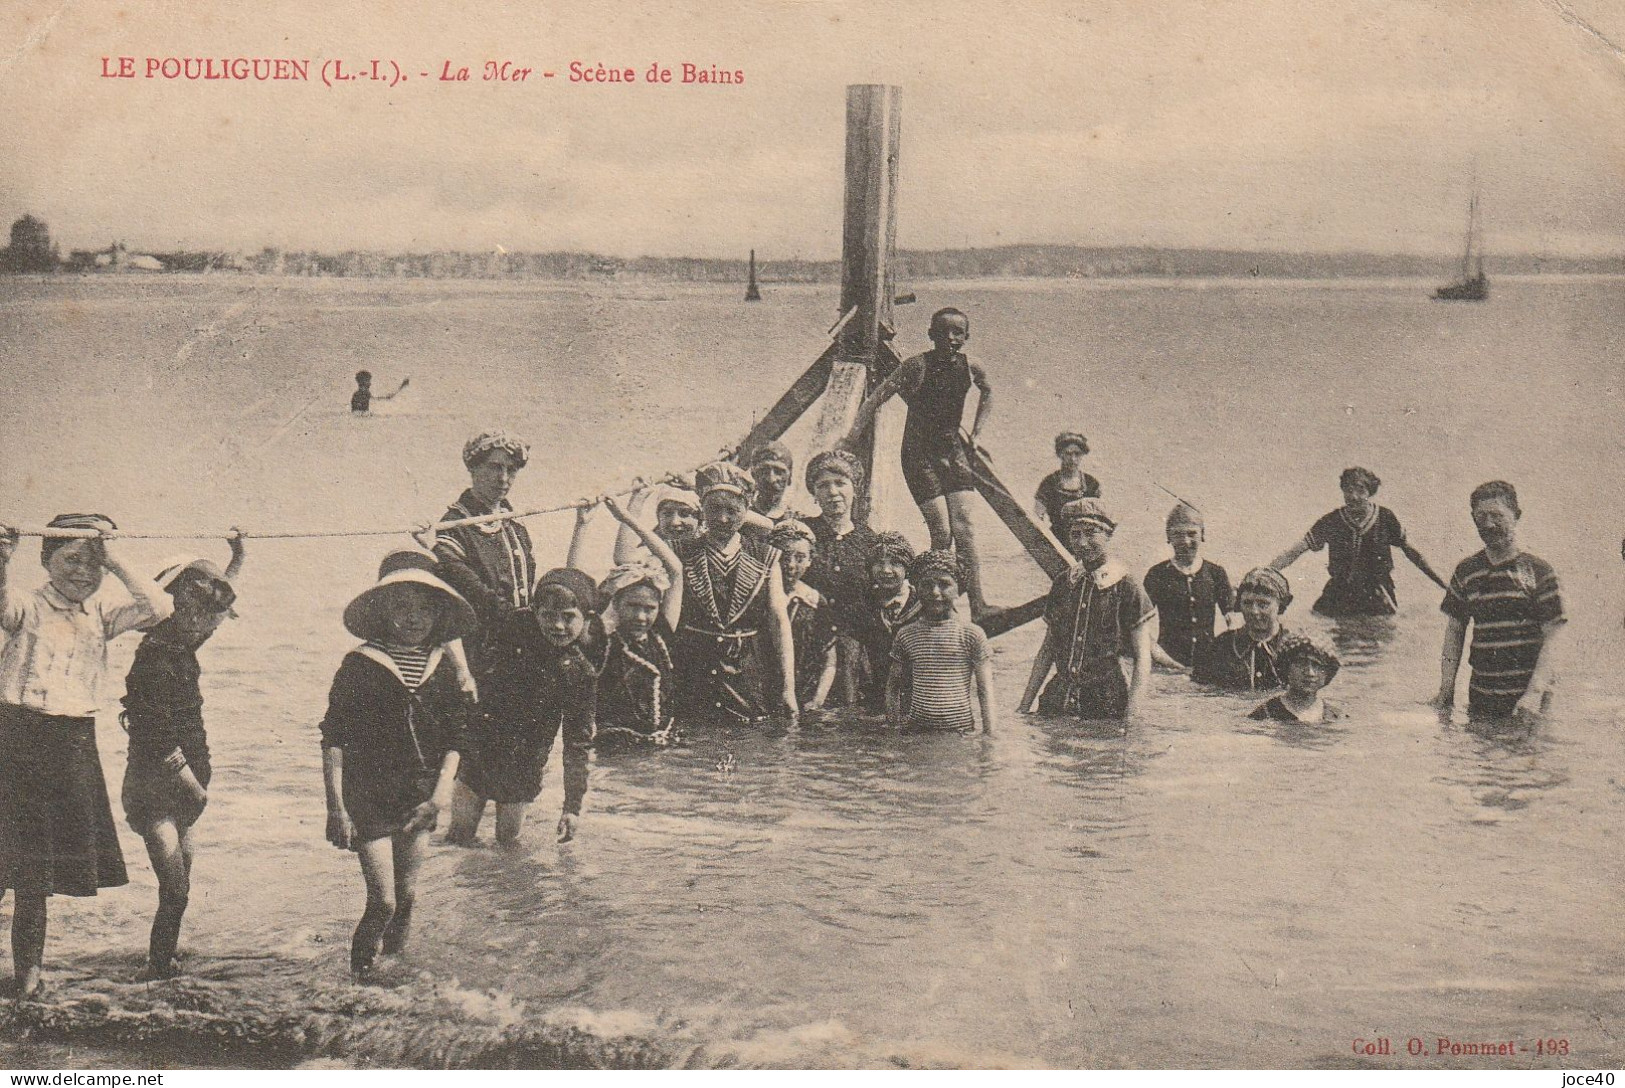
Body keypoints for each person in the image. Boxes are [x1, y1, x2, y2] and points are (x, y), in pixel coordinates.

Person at [0, 514, 173, 1001]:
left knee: (38, 875)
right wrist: (2, 557)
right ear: (47, 561)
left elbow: (159, 608)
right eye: (70, 559)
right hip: (14, 739)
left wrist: (113, 556)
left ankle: (28, 978)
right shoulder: (26, 605)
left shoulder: (101, 612)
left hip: (73, 743)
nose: (82, 571)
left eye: (91, 562)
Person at [321, 550, 475, 976]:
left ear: (438, 615)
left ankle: (391, 971)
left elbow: (456, 738)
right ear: (382, 611)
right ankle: (359, 981)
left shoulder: (444, 665)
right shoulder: (360, 663)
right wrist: (336, 809)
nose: (413, 618)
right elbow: (333, 740)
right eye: (402, 607)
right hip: (367, 795)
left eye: (425, 609)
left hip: (420, 795)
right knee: (383, 900)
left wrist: (441, 796)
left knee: (406, 899)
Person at [120, 540, 246, 981]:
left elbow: (219, 604)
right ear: (178, 608)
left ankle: (162, 962)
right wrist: (194, 787)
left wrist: (238, 559)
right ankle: (156, 973)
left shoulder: (182, 645)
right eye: (204, 614)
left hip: (186, 790)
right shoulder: (154, 657)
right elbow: (157, 733)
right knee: (175, 890)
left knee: (179, 890)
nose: (211, 626)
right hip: (156, 791)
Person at [847, 308, 994, 617]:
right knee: (942, 534)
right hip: (918, 455)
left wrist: (978, 433)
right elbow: (875, 398)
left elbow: (988, 391)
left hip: (953, 451)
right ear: (931, 335)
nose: (950, 339)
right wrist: (851, 437)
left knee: (965, 529)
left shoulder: (971, 366)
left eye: (958, 333)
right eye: (943, 332)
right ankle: (938, 606)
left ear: (967, 337)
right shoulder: (916, 366)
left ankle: (978, 605)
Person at [447, 567, 598, 845]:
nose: (558, 626)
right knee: (458, 838)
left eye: (568, 618)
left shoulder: (578, 672)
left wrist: (571, 808)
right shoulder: (516, 626)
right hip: (481, 746)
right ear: (534, 612)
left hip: (524, 762)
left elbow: (578, 743)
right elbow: (476, 590)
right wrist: (435, 547)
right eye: (548, 616)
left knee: (508, 844)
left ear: (586, 619)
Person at [670, 461, 797, 723]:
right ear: (701, 509)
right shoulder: (682, 552)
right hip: (693, 674)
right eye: (714, 509)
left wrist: (788, 689)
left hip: (750, 676)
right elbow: (625, 556)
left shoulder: (766, 556)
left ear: (748, 509)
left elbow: (778, 620)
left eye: (733, 510)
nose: (723, 519)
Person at [1431, 481, 1565, 723]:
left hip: (1529, 702)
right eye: (1480, 517)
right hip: (1482, 697)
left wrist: (1534, 694)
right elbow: (1454, 631)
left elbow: (1555, 637)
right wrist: (1446, 688)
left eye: (1497, 515)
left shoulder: (1539, 571)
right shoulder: (1466, 571)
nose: (1489, 524)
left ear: (1516, 515)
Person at [1017, 500, 1155, 721]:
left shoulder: (1127, 586)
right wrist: (1023, 707)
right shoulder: (1064, 583)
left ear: (1108, 535)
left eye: (1091, 533)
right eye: (1075, 534)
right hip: (1059, 697)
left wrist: (1131, 717)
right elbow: (1047, 650)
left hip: (1107, 702)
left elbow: (1142, 659)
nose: (1082, 543)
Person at [1270, 467, 1446, 617]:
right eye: (1348, 490)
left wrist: (1445, 586)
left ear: (1370, 492)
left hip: (1378, 594)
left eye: (1360, 490)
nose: (1353, 496)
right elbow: (1296, 551)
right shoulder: (1332, 521)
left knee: (1379, 641)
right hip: (1338, 594)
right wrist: (1268, 571)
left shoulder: (1385, 518)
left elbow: (1412, 554)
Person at [596, 495, 685, 746]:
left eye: (649, 608)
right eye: (633, 607)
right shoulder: (604, 642)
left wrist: (627, 518)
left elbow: (676, 569)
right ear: (616, 604)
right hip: (617, 751)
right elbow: (575, 583)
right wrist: (582, 526)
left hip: (664, 749)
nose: (641, 617)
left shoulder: (662, 635)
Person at [800, 449, 882, 708]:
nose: (833, 492)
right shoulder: (804, 535)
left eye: (840, 483)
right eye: (823, 486)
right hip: (810, 649)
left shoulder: (871, 542)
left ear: (855, 488)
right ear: (814, 494)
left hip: (856, 655)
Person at [887, 551, 996, 734]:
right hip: (917, 732)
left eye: (944, 585)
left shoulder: (971, 634)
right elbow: (893, 687)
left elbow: (985, 692)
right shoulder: (906, 634)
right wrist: (894, 729)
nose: (935, 592)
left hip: (960, 731)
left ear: (959, 588)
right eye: (927, 585)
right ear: (917, 587)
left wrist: (989, 739)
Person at [1143, 503, 1235, 672]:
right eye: (1177, 534)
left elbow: (1234, 622)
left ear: (1203, 534)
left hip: (1208, 667)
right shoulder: (1157, 575)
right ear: (1168, 536)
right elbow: (1138, 624)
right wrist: (1162, 658)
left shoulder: (1216, 573)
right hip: (1167, 667)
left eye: (1192, 533)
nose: (1185, 541)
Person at [769, 519, 838, 713]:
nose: (790, 565)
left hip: (805, 697)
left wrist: (817, 701)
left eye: (799, 558)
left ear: (810, 560)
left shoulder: (815, 601)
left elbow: (829, 661)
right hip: (765, 696)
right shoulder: (760, 597)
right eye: (783, 557)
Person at [1192, 568, 1293, 692]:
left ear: (1281, 605)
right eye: (1247, 603)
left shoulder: (1293, 648)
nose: (1254, 611)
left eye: (1263, 604)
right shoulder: (1221, 646)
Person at [851, 531, 920, 711]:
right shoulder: (863, 604)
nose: (886, 570)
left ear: (907, 568)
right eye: (879, 564)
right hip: (874, 698)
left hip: (917, 697)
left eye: (895, 563)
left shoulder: (922, 603)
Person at [1249, 635, 1347, 723]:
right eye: (1301, 664)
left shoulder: (1337, 717)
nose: (1310, 673)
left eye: (1317, 665)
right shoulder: (1264, 714)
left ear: (1327, 673)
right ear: (1286, 668)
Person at [613, 482, 702, 566]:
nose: (674, 522)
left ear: (700, 517)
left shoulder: (710, 541)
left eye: (685, 513)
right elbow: (624, 558)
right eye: (667, 514)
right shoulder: (662, 546)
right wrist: (638, 499)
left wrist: (695, 487)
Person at [1033, 432, 1101, 529]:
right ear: (1060, 454)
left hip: (1083, 540)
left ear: (1082, 455)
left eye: (1077, 454)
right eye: (1068, 454)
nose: (1073, 459)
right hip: (1056, 539)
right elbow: (1037, 516)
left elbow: (1098, 518)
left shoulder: (1091, 483)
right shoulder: (1049, 482)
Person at [745, 441, 799, 525]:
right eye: (764, 471)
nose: (771, 479)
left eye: (779, 472)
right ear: (753, 474)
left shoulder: (797, 523)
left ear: (790, 477)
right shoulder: (741, 516)